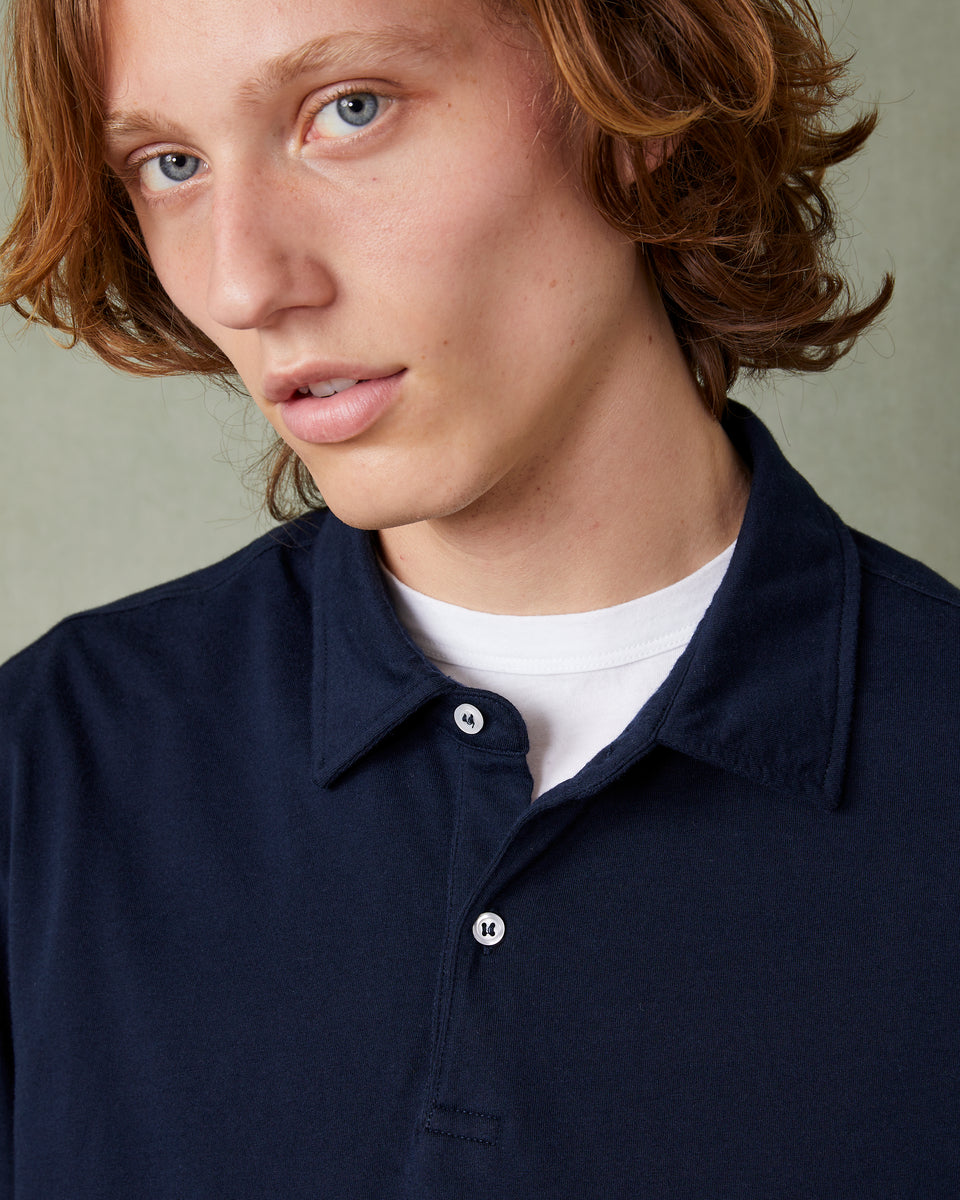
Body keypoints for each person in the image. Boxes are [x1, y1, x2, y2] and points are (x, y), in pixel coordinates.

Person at [0, 0, 957, 1194]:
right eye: (171, 163)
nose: (245, 282)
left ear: (633, 91)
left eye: (348, 111)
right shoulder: (41, 771)